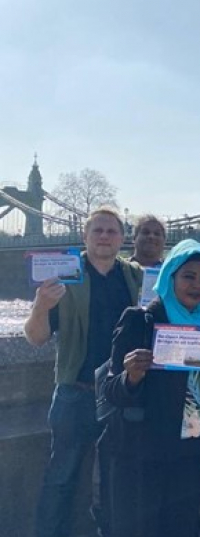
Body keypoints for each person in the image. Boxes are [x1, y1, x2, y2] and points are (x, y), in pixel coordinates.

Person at [24, 207, 143, 537]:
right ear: (85, 237)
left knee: (117, 478)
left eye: (112, 231)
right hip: (75, 393)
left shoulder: (136, 277)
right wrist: (41, 306)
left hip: (121, 394)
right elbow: (35, 338)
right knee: (61, 477)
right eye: (98, 231)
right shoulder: (62, 275)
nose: (105, 236)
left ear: (123, 238)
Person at [102, 239, 200, 537]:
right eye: (188, 276)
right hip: (143, 454)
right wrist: (132, 376)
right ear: (170, 277)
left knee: (185, 526)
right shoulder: (139, 320)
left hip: (191, 450)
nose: (197, 285)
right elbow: (111, 391)